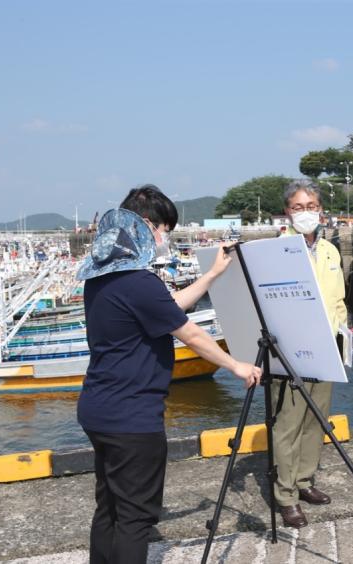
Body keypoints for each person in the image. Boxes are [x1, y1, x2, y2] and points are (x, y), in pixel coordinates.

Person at [75, 185, 262, 564]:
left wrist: (210, 276)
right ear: (146, 225)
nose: (164, 238)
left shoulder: (101, 279)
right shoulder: (138, 282)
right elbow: (189, 332)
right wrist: (236, 365)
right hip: (132, 417)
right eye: (164, 229)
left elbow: (168, 307)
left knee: (109, 507)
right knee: (135, 519)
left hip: (98, 409)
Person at [272, 179, 348, 529]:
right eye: (299, 207)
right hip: (289, 351)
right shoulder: (277, 249)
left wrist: (342, 340)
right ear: (287, 211)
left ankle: (304, 482)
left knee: (316, 419)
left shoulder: (331, 250)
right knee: (287, 424)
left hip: (326, 346)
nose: (306, 213)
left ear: (321, 209)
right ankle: (285, 495)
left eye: (312, 206)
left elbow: (339, 301)